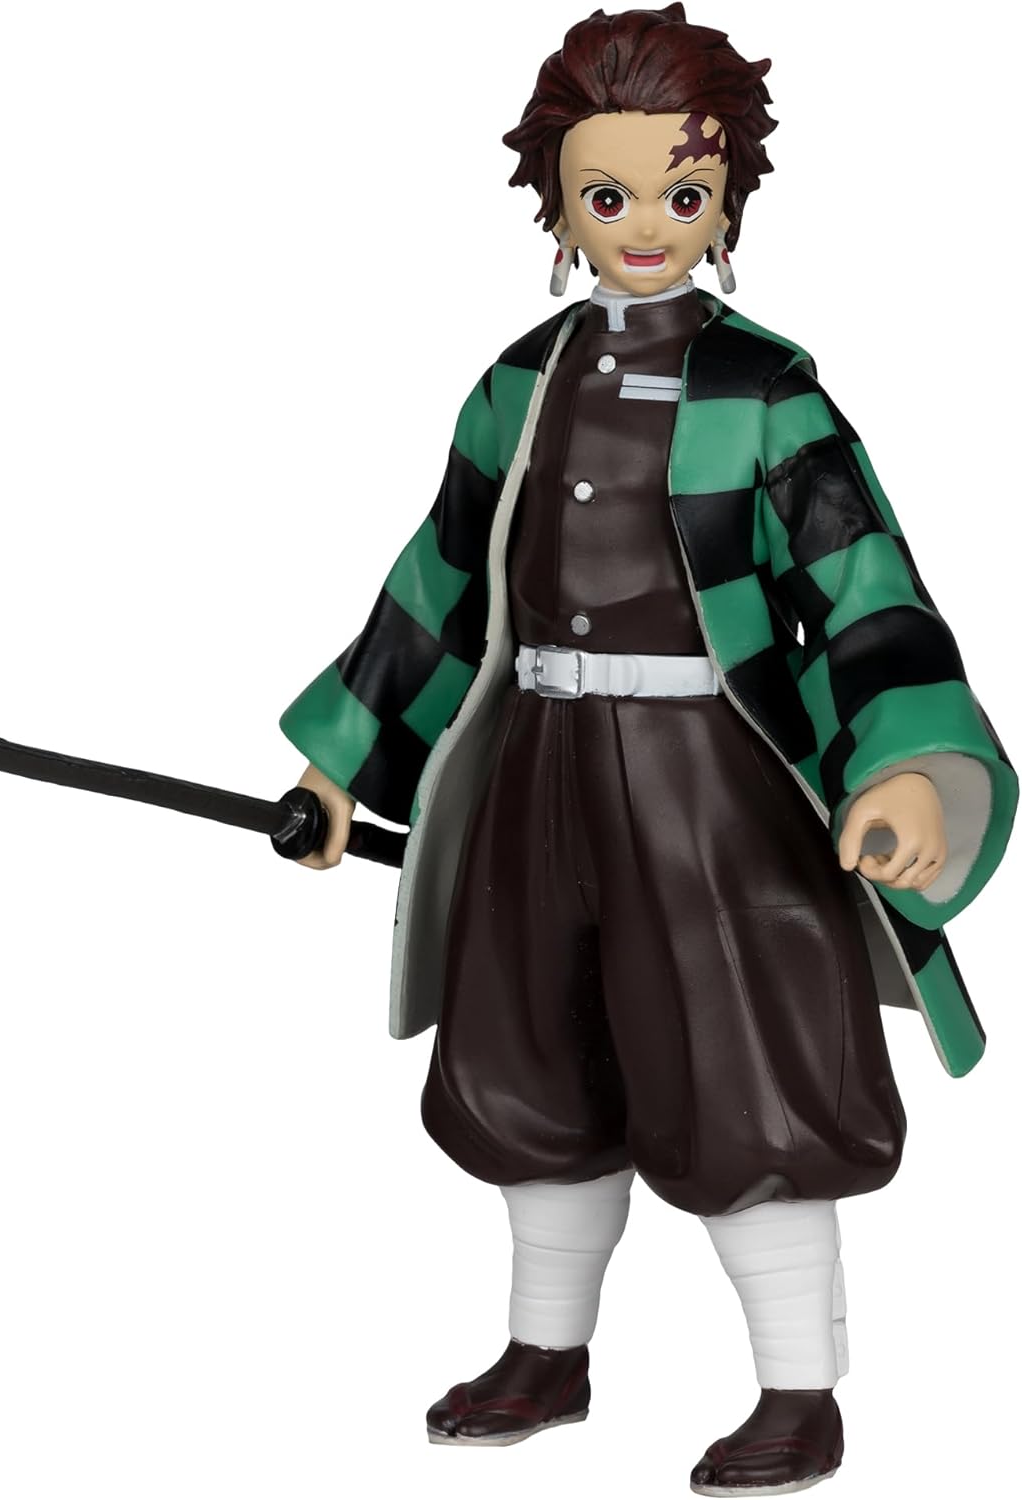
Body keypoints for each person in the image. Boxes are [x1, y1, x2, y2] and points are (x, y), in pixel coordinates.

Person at [278, 7, 1017, 1494]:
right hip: (534, 771)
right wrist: (339, 765)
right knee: (531, 1058)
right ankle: (546, 1351)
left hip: (709, 790)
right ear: (554, 204)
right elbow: (435, 582)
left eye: (683, 192)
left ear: (728, 200)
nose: (643, 226)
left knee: (750, 1072)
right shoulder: (516, 384)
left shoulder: (766, 394)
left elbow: (866, 591)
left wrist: (905, 769)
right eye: (606, 194)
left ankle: (799, 1386)